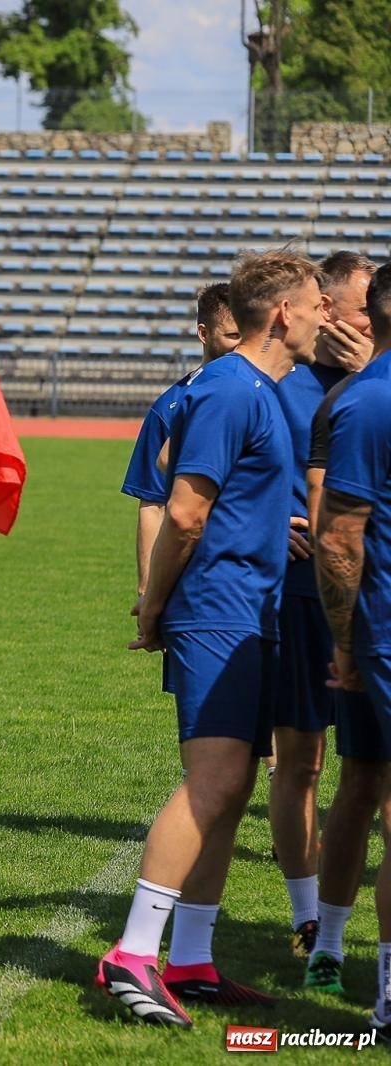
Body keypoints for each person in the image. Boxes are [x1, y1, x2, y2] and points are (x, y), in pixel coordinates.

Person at [99, 249, 323, 1028]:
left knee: (229, 794)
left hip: (249, 608)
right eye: (319, 303)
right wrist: (154, 605)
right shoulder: (232, 387)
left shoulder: (253, 388)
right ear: (284, 315)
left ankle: (190, 959)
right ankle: (131, 955)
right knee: (215, 781)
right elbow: (185, 510)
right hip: (219, 609)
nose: (328, 316)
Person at [269, 251, 380, 955]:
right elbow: (209, 468)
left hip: (375, 604)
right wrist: (264, 516)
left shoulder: (379, 386)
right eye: (363, 311)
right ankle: (306, 917)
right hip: (300, 597)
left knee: (367, 772)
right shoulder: (283, 382)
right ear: (329, 311)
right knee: (303, 761)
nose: (374, 324)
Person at [304, 260, 391, 997]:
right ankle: (362, 970)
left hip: (368, 630)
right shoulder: (363, 401)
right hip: (376, 629)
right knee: (369, 788)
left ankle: (330, 947)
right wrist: (343, 640)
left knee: (364, 781)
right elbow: (337, 530)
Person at [121, 283, 240, 600]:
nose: (242, 346)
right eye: (233, 336)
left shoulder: (268, 393)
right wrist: (147, 588)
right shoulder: (169, 408)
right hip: (189, 579)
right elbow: (152, 503)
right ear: (204, 334)